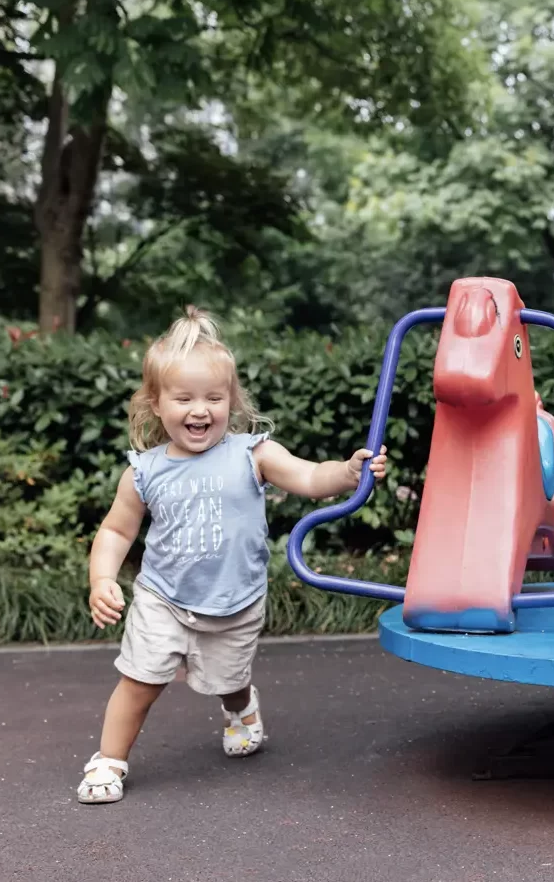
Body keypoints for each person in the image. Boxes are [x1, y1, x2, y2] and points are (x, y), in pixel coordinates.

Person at [76, 307, 388, 804]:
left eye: (214, 398)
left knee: (229, 678)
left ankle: (241, 706)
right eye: (184, 399)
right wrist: (102, 579)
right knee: (139, 680)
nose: (200, 410)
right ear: (156, 404)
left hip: (234, 601)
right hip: (163, 598)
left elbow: (310, 476)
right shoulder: (144, 471)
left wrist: (349, 472)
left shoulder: (252, 454)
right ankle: (109, 761)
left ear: (231, 401)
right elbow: (116, 530)